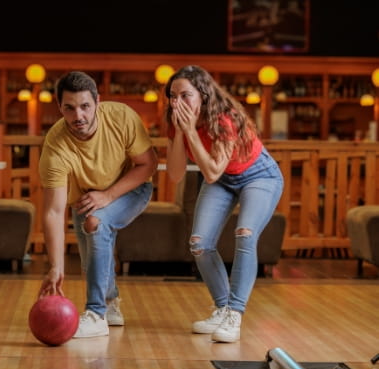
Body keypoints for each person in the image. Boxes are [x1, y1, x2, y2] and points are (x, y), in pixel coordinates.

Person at [164, 65, 283, 343]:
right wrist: (181, 132)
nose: (177, 102)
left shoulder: (225, 119)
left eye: (185, 95)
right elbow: (175, 174)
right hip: (223, 180)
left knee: (245, 234)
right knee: (199, 243)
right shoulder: (177, 121)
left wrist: (191, 131)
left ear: (203, 95)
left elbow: (211, 172)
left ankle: (235, 315)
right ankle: (222, 308)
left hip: (259, 176)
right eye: (172, 96)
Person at [38, 71, 158, 338]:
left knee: (97, 222)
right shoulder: (55, 145)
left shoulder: (121, 117)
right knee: (91, 261)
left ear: (97, 102)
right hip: (87, 198)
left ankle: (96, 313)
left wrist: (108, 195)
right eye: (69, 108)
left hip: (133, 187)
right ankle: (111, 303)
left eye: (85, 106)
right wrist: (55, 266)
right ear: (59, 107)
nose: (78, 116)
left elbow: (148, 164)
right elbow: (54, 211)